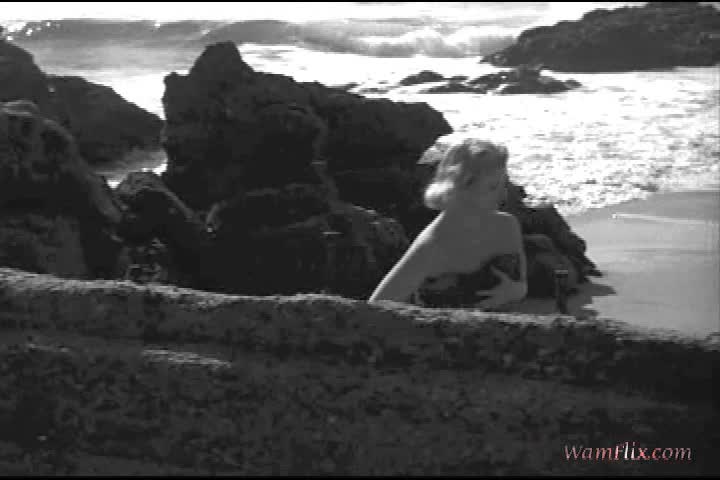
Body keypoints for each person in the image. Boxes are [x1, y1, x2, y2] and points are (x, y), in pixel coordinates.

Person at [368, 137, 527, 310]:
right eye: (492, 187)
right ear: (460, 186)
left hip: (501, 325)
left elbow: (521, 285)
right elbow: (376, 307)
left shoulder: (506, 226)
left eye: (503, 186)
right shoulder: (432, 245)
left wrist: (514, 291)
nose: (503, 196)